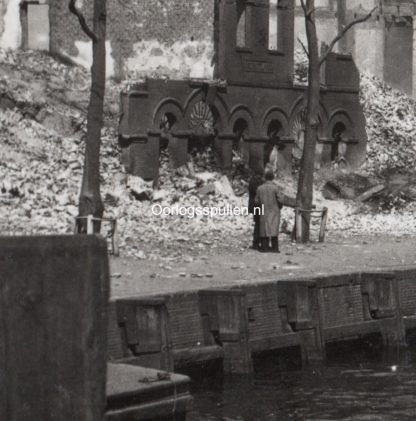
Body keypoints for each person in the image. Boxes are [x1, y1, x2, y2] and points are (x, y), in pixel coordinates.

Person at [254, 170, 296, 253]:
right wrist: (279, 207)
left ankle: (264, 247)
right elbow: (281, 200)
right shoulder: (275, 188)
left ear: (265, 178)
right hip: (274, 211)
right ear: (272, 178)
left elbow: (256, 201)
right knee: (273, 230)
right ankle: (275, 248)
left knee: (264, 230)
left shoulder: (259, 188)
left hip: (263, 210)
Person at [248, 169, 264, 250]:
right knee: (260, 224)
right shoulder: (260, 183)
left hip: (254, 206)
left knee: (257, 224)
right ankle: (259, 242)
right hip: (260, 206)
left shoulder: (252, 181)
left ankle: (256, 243)